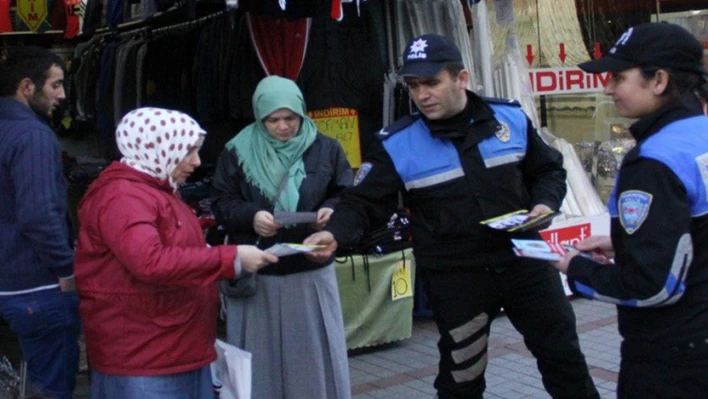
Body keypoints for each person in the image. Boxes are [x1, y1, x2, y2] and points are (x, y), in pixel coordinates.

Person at [305, 33, 600, 399]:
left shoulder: (510, 117)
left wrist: (545, 203)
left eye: (432, 82)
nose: (421, 94)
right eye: (413, 85)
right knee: (462, 374)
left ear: (461, 79)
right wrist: (334, 232)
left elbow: (549, 170)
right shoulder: (397, 142)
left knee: (565, 360)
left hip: (528, 257)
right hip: (457, 274)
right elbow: (361, 203)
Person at [74, 107, 278, 398]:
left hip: (172, 347)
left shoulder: (157, 190)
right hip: (145, 358)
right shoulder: (125, 195)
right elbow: (150, 261)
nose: (196, 162)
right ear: (157, 147)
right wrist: (229, 258)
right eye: (188, 151)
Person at [552, 22, 708, 398]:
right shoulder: (699, 135)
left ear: (659, 80)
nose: (607, 88)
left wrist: (577, 268)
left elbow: (653, 286)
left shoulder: (653, 161)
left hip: (671, 357)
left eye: (619, 77)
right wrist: (623, 241)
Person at [210, 75, 353, 399]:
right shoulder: (236, 150)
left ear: (302, 113)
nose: (283, 127)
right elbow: (220, 201)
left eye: (290, 118)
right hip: (260, 275)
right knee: (262, 367)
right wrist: (251, 217)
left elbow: (345, 194)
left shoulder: (326, 148)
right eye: (272, 119)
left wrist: (330, 216)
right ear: (260, 117)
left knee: (313, 365)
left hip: (311, 273)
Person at [0, 46, 81, 399]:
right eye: (56, 85)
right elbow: (40, 216)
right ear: (27, 86)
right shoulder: (32, 136)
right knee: (48, 388)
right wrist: (67, 269)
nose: (63, 95)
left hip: (11, 282)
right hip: (36, 286)